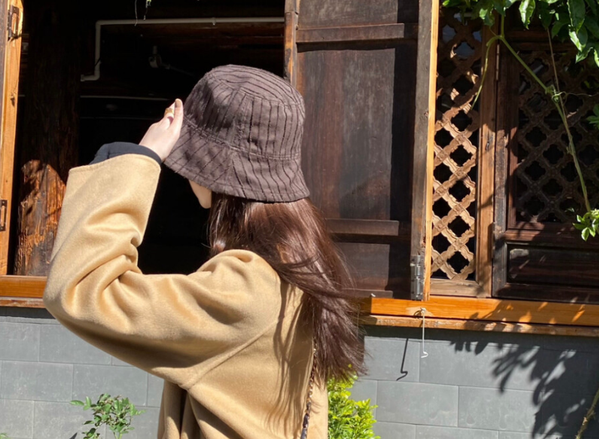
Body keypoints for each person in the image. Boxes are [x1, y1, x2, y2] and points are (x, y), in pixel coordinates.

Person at [43, 65, 364, 439]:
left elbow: (82, 289)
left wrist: (137, 158)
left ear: (216, 174)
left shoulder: (247, 288)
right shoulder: (298, 265)